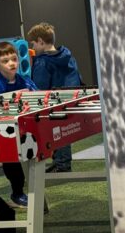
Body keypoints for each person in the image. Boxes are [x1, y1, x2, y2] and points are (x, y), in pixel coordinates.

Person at [27, 23, 83, 173]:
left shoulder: (42, 61)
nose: (33, 48)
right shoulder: (67, 55)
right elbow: (78, 76)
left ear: (40, 41)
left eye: (33, 44)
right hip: (71, 98)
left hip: (53, 101)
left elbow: (39, 87)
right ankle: (60, 161)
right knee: (64, 132)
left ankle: (62, 165)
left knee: (57, 133)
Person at [0, 41, 38, 207]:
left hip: (16, 132)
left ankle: (17, 193)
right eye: (5, 61)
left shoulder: (25, 81)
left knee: (15, 159)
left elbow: (40, 97)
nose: (12, 63)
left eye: (14, 59)